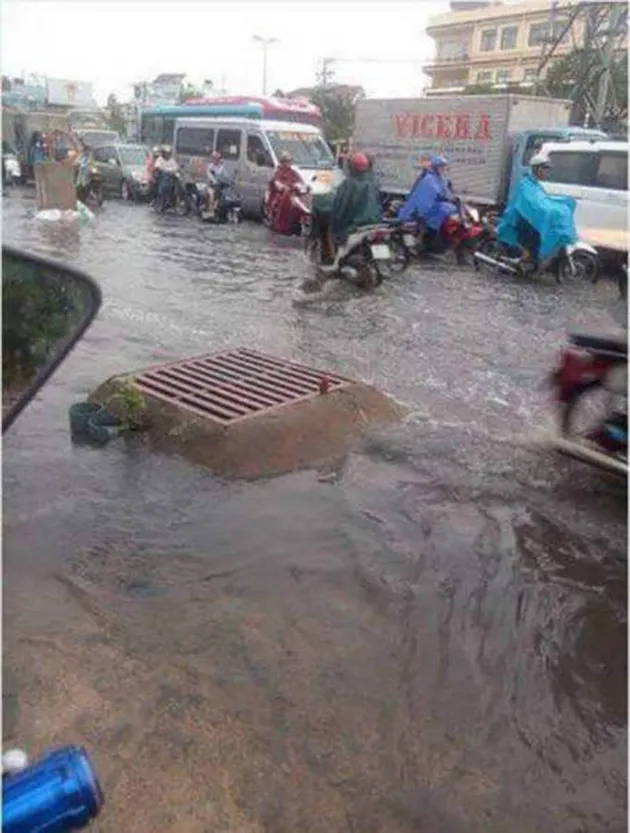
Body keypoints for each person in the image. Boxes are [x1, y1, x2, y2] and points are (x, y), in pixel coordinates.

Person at [497, 153, 577, 263]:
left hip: (528, 217)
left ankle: (535, 258)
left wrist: (561, 203)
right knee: (536, 233)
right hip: (519, 218)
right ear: (536, 169)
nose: (546, 172)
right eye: (544, 169)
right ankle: (525, 256)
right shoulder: (525, 184)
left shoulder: (536, 184)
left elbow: (544, 199)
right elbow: (532, 203)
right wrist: (546, 210)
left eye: (547, 169)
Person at [320, 151, 383, 272]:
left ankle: (336, 263)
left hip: (356, 224)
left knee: (334, 231)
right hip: (375, 221)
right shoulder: (373, 182)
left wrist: (336, 218)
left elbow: (341, 206)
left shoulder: (348, 184)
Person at [267, 151, 302, 234]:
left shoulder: (293, 172)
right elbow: (275, 181)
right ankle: (279, 224)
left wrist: (298, 186)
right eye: (287, 161)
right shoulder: (278, 171)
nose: (289, 163)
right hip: (279, 194)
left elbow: (298, 181)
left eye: (290, 161)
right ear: (283, 162)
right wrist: (281, 186)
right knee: (282, 202)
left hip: (292, 193)